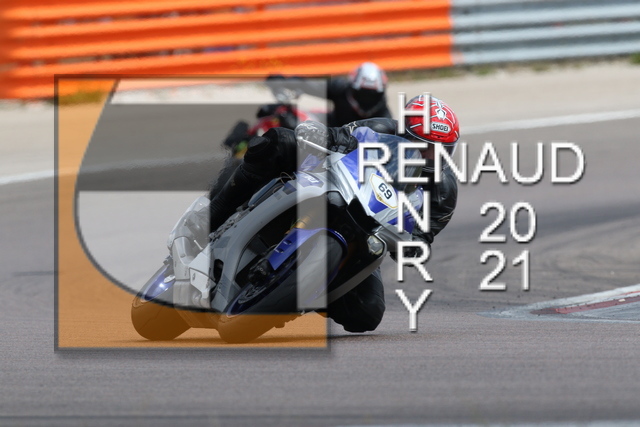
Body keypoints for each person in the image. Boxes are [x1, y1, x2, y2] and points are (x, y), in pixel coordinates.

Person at [204, 94, 459, 333]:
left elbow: (422, 236)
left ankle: (296, 294)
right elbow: (339, 137)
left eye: (442, 150)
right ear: (403, 134)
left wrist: (413, 248)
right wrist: (321, 136)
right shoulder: (379, 128)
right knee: (278, 141)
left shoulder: (444, 191)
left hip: (370, 231)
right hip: (337, 187)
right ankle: (213, 214)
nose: (431, 157)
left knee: (366, 314)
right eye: (424, 147)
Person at [267, 61, 392, 127]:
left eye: (372, 94)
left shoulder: (384, 114)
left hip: (356, 152)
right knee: (288, 118)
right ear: (351, 87)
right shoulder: (340, 89)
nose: (367, 98)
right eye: (363, 93)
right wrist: (285, 81)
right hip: (331, 133)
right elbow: (308, 85)